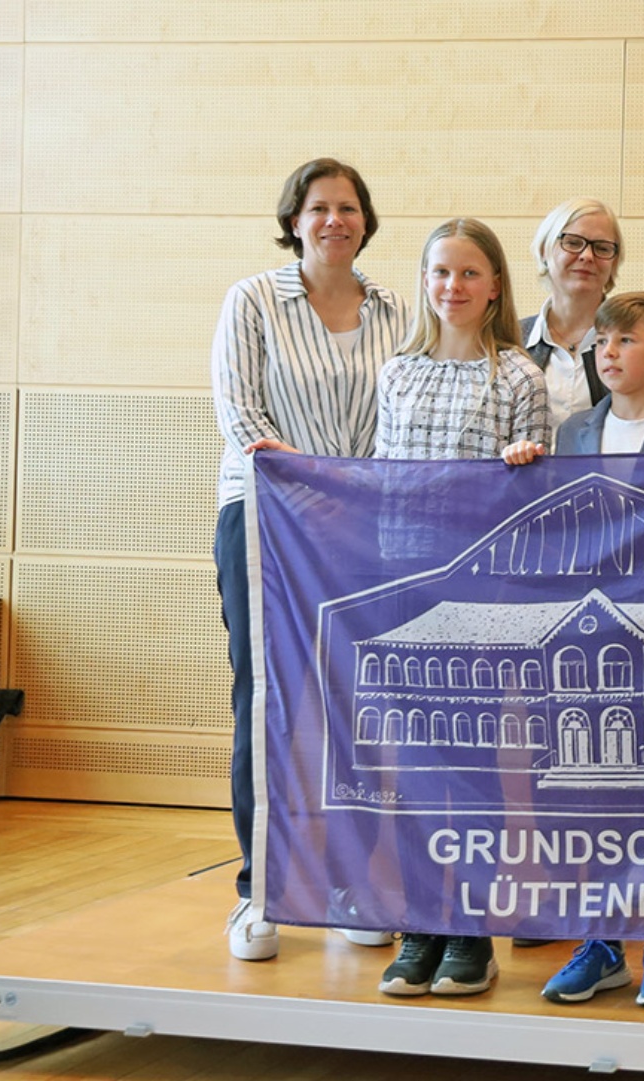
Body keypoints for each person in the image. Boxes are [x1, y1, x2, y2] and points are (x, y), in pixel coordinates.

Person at [211, 157, 408, 961]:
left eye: (349, 208)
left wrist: (356, 497)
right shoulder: (253, 299)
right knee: (269, 700)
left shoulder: (397, 308)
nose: (335, 220)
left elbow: (404, 412)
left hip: (366, 530)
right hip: (265, 518)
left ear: (366, 220)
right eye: (320, 208)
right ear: (294, 218)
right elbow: (243, 414)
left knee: (358, 700)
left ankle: (352, 882)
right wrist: (324, 486)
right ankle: (261, 890)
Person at [502, 291, 644, 1008]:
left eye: (624, 340)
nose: (608, 352)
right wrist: (524, 466)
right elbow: (549, 522)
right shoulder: (571, 434)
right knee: (580, 797)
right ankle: (599, 942)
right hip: (580, 635)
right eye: (602, 341)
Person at [372, 217, 551, 997]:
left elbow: (537, 499)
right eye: (441, 272)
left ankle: (471, 929)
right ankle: (423, 924)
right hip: (407, 590)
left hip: (482, 594)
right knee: (414, 765)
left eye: (469, 273)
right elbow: (376, 477)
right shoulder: (397, 373)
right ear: (425, 281)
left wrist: (520, 468)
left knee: (474, 763)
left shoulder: (518, 376)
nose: (453, 286)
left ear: (496, 285)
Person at [522, 198, 644, 429]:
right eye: (573, 243)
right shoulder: (511, 341)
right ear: (545, 250)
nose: (587, 256)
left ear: (614, 263)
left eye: (602, 248)